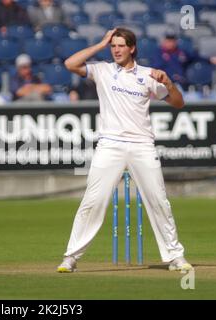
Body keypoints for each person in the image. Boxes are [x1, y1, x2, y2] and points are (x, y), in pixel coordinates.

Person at [57, 28, 193, 273]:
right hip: (110, 144)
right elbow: (70, 63)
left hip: (142, 145)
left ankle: (175, 256)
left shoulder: (148, 75)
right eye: (113, 46)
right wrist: (101, 43)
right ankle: (71, 257)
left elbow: (178, 103)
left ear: (132, 48)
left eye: (120, 45)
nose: (116, 50)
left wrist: (169, 83)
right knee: (93, 200)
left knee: (158, 201)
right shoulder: (103, 70)